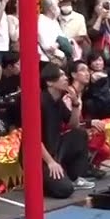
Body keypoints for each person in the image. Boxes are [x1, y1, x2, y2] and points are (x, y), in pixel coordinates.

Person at [38, 64, 94, 198]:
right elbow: (33, 140)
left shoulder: (58, 100)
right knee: (65, 190)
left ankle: (73, 176)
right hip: (39, 154)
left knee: (79, 134)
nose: (65, 78)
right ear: (50, 82)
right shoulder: (40, 102)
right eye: (61, 75)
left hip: (55, 147)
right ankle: (48, 179)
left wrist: (75, 103)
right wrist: (50, 162)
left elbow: (73, 125)